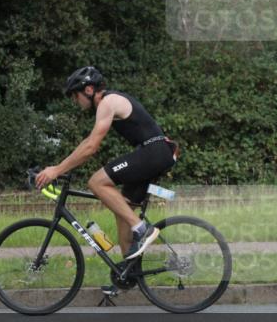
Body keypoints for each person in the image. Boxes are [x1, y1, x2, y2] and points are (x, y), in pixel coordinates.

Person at [35, 66, 177, 259]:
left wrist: (57, 170)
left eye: (74, 95)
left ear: (88, 89)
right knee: (123, 212)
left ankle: (143, 229)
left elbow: (91, 146)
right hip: (156, 152)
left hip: (154, 151)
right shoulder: (107, 103)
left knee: (96, 182)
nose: (74, 101)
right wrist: (60, 167)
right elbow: (88, 143)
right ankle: (127, 275)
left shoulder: (108, 102)